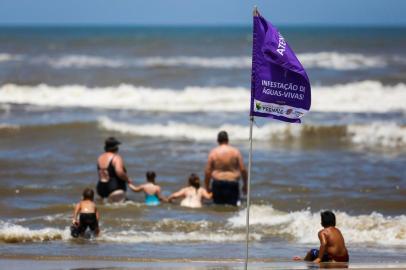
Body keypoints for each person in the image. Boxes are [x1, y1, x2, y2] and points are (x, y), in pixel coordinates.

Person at [204, 131, 247, 206]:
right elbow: (243, 169)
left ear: (218, 140)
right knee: (233, 208)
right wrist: (245, 184)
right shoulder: (235, 152)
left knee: (218, 209)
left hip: (218, 184)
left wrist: (207, 187)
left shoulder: (213, 152)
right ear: (228, 140)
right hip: (232, 183)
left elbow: (208, 171)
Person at [96, 137, 133, 203]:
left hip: (101, 188)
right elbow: (119, 172)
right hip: (115, 187)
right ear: (116, 147)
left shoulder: (100, 157)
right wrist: (127, 179)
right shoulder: (116, 157)